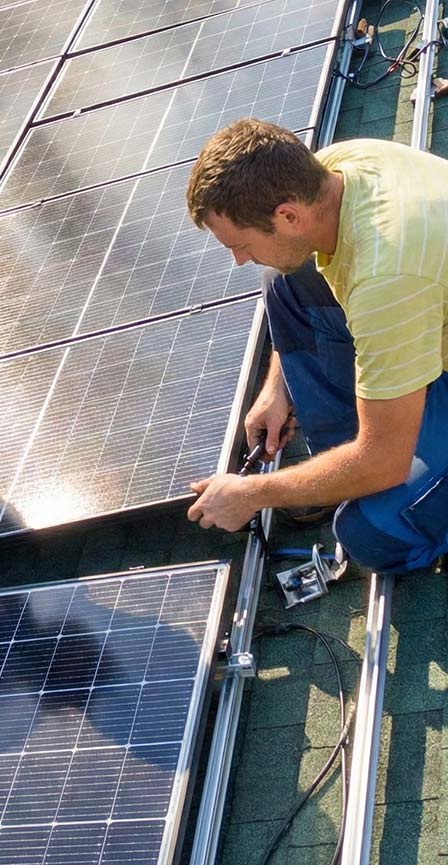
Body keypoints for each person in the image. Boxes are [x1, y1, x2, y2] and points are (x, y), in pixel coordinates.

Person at [184, 118, 448, 574]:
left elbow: (385, 462)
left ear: (286, 215)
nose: (238, 259)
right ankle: (343, 461)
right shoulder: (333, 169)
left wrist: (254, 493)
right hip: (427, 314)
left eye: (241, 244)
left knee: (370, 535)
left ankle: (374, 473)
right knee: (283, 278)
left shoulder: (386, 281)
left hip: (419, 326)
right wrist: (277, 389)